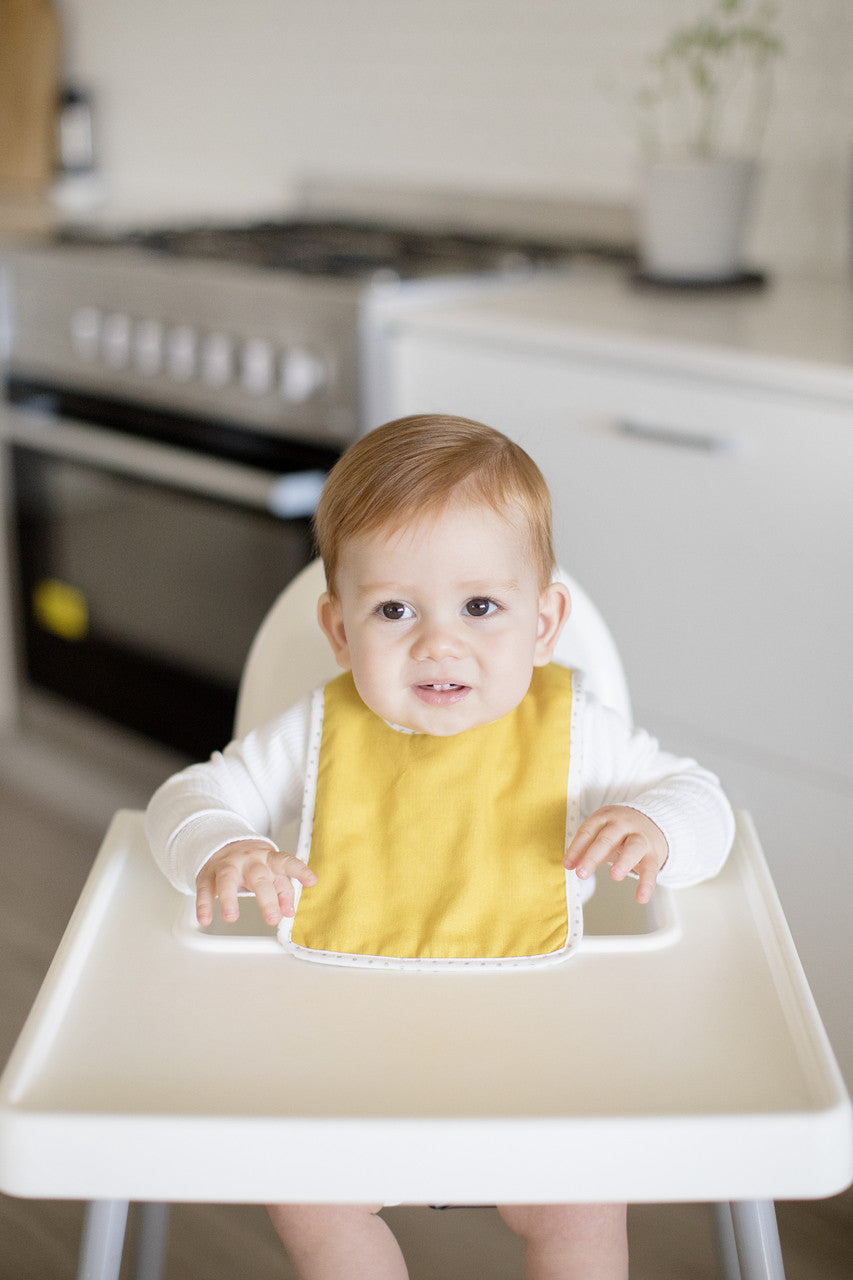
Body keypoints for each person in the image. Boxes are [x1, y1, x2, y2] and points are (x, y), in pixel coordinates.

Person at [146, 413, 734, 1280]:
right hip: (343, 1059)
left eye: (481, 605)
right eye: (392, 609)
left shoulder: (579, 733)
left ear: (543, 622)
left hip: (540, 1062)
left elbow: (704, 805)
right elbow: (183, 798)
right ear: (340, 631)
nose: (438, 642)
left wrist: (657, 828)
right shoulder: (314, 730)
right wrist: (222, 847)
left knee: (586, 1205)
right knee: (305, 1195)